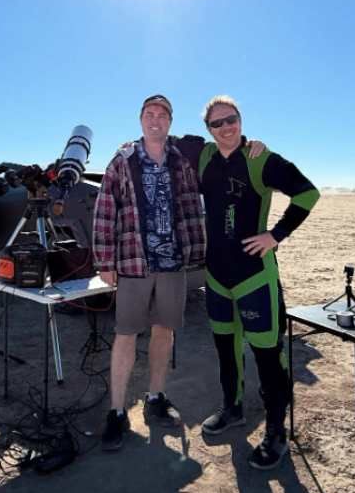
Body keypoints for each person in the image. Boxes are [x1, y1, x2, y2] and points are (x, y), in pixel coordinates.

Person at [179, 96, 318, 470]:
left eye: (232, 120)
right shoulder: (204, 155)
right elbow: (163, 141)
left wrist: (276, 235)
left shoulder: (259, 158)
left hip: (255, 277)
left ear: (241, 120)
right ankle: (233, 408)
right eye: (217, 123)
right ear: (208, 129)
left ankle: (276, 432)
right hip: (217, 278)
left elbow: (307, 193)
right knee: (226, 351)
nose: (226, 128)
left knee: (268, 356)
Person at [91, 94, 206, 451]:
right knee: (126, 334)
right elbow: (105, 211)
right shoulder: (123, 160)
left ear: (170, 121)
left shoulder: (180, 160)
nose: (155, 120)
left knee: (164, 332)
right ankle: (116, 412)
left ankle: (156, 397)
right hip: (133, 262)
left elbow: (194, 198)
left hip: (173, 263)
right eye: (149, 114)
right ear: (141, 120)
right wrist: (105, 261)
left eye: (162, 115)